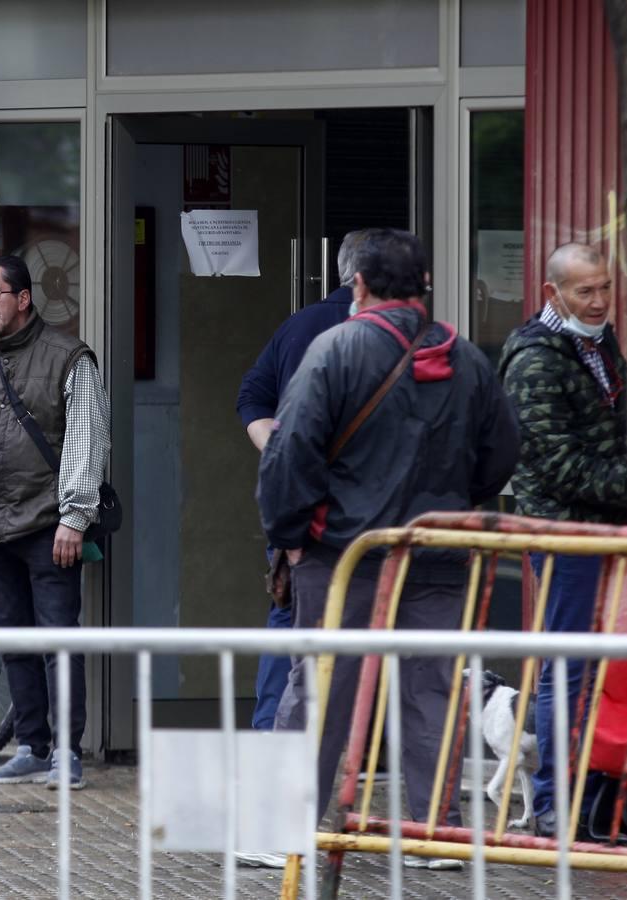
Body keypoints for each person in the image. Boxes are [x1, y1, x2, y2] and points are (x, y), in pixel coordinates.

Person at [259, 228, 519, 863]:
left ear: (359, 285)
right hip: (438, 556)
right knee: (432, 689)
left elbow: (290, 456)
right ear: (425, 285)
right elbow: (501, 455)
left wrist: (291, 541)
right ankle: (436, 835)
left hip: (344, 556)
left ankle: (284, 831)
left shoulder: (335, 349)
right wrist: (454, 510)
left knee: (319, 690)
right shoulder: (468, 360)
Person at [0, 255, 111, 790]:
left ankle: (66, 753)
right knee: (15, 641)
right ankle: (31, 746)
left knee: (58, 638)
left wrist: (75, 517)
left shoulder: (69, 357)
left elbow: (87, 440)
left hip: (48, 524)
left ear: (24, 298)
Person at [499, 242, 625, 839]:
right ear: (553, 293)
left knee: (597, 671)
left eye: (605, 287)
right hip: (564, 536)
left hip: (601, 534)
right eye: (586, 291)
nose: (599, 301)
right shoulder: (535, 360)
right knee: (568, 670)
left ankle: (591, 803)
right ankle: (553, 804)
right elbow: (559, 465)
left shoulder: (598, 343)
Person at [237, 230, 366, 737]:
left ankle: (273, 735)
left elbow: (252, 394)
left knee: (290, 617)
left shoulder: (298, 326)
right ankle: (353, 746)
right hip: (356, 509)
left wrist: (273, 444)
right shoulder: (378, 333)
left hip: (297, 503)